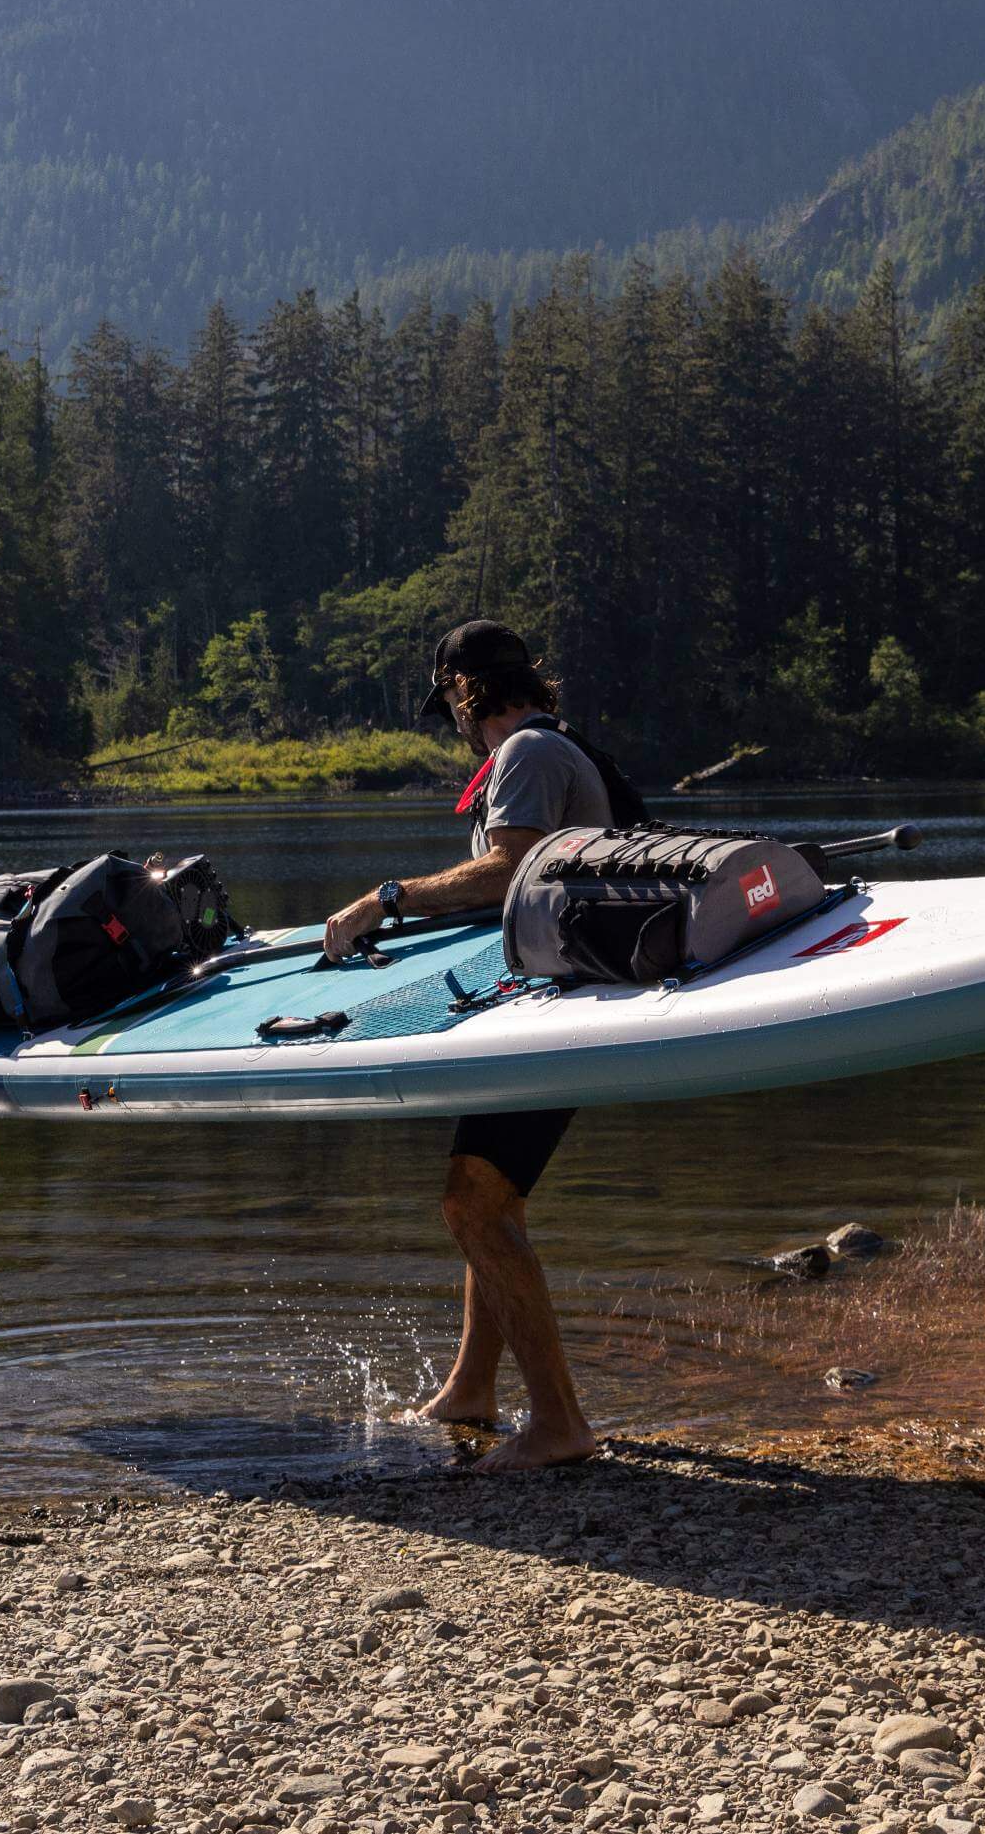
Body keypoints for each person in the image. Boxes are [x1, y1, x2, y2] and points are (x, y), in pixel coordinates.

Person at [324, 619, 623, 1472]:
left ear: (465, 690)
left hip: (555, 1010)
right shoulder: (552, 746)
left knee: (472, 1205)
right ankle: (470, 1389)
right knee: (492, 1200)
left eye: (448, 700)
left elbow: (512, 866)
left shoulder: (526, 754)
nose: (452, 719)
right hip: (552, 1001)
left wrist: (388, 896)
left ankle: (560, 1422)